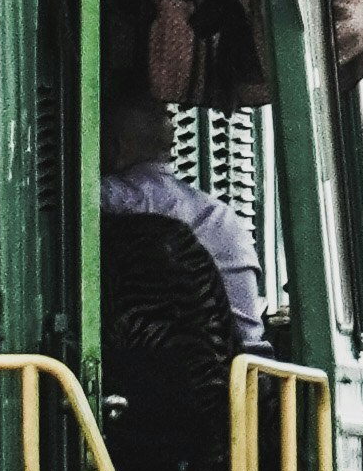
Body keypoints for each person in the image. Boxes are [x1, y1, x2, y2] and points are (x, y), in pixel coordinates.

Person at [102, 87, 265, 350]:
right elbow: (250, 340)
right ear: (170, 141)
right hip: (229, 385)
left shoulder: (96, 205)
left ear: (112, 145)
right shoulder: (221, 219)